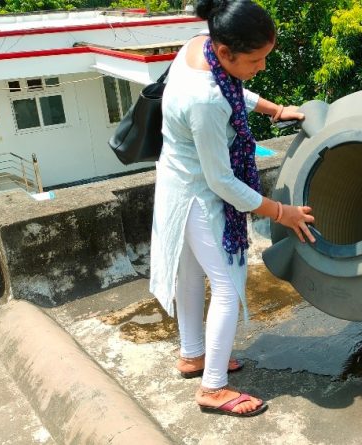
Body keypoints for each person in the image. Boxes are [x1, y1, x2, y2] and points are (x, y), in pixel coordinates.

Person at [149, 0, 316, 417]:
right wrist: (281, 212)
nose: (261, 67)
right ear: (226, 53)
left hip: (176, 182)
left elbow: (232, 88)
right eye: (256, 59)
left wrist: (274, 109)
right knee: (226, 286)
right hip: (196, 193)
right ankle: (213, 388)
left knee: (188, 274)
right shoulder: (205, 101)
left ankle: (193, 355)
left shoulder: (200, 45)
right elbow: (221, 181)